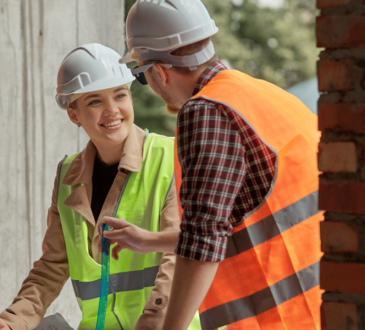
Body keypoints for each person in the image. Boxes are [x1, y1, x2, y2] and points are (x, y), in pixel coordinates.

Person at [113, 1, 323, 329]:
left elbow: (204, 237)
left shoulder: (206, 112)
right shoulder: (260, 93)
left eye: (141, 76)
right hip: (332, 300)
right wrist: (151, 240)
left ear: (158, 71)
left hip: (287, 317)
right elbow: (245, 218)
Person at [0, 43, 200, 330]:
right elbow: (52, 267)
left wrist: (154, 323)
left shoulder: (170, 157)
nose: (112, 110)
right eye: (94, 101)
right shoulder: (68, 175)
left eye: (120, 95)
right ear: (74, 114)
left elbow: (178, 257)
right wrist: (11, 322)